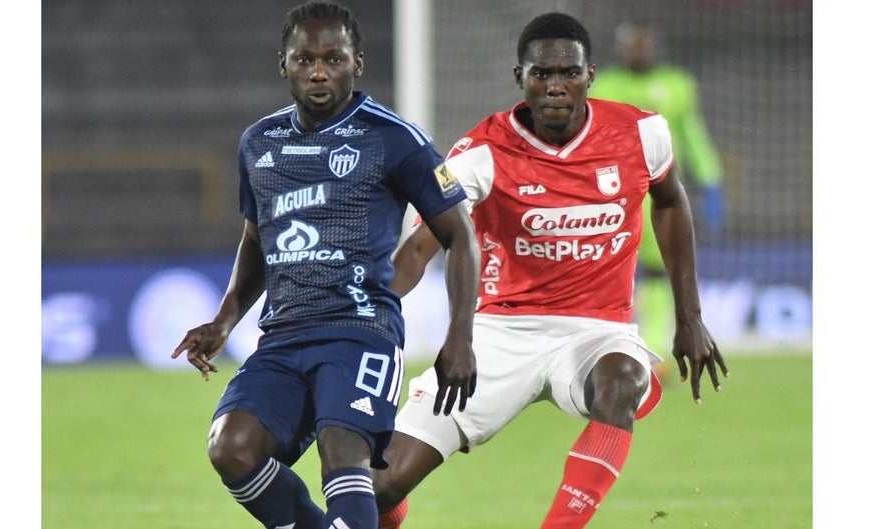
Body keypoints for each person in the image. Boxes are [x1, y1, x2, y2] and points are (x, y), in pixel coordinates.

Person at [373, 12, 729, 529]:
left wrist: (690, 317)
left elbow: (670, 202)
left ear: (590, 76)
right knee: (378, 487)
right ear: (520, 77)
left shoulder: (642, 133)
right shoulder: (481, 152)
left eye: (569, 73)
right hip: (498, 331)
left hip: (595, 332)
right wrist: (366, 315)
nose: (556, 86)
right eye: (542, 74)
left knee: (623, 379)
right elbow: (419, 249)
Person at [171, 3, 480, 529]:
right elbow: (257, 239)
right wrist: (224, 320)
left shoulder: (394, 139)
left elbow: (461, 237)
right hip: (284, 335)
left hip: (361, 330)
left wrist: (459, 337)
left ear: (356, 63)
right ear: (283, 64)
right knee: (232, 447)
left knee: (343, 454)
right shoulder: (259, 143)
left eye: (333, 59)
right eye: (305, 59)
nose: (318, 71)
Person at [591, 22, 727, 379]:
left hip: (659, 193)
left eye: (644, 44)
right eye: (632, 45)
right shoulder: (605, 86)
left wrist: (711, 179)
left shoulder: (678, 85)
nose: (639, 50)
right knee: (604, 270)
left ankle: (652, 351)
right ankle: (601, 347)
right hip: (610, 193)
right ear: (623, 49)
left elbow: (692, 135)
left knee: (658, 270)